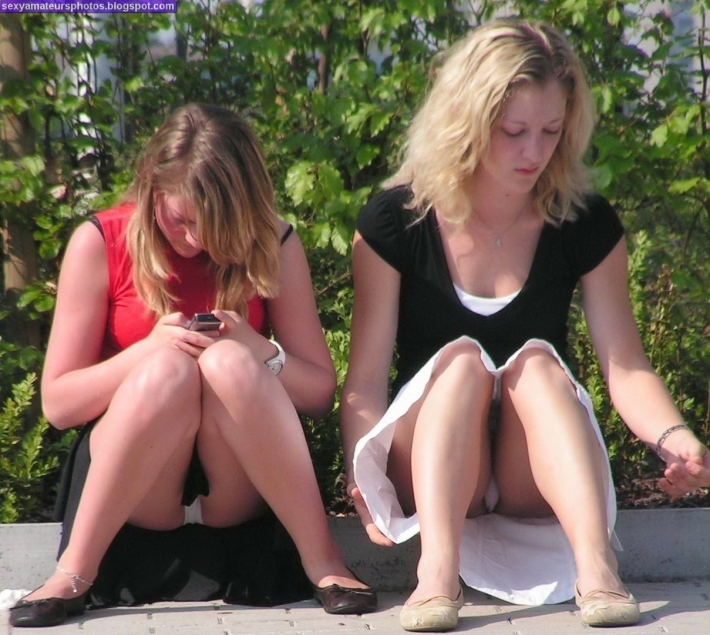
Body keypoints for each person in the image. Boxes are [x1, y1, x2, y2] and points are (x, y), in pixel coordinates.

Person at [339, 19, 710, 632]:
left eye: (550, 131)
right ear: (467, 120)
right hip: (428, 462)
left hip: (530, 470)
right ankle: (437, 573)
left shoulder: (585, 221)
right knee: (461, 362)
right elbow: (365, 380)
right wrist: (363, 480)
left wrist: (674, 438)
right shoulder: (394, 220)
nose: (534, 153)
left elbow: (625, 365)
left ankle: (597, 569)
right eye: (513, 132)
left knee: (537, 364)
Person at [10, 103, 376, 628]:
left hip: (237, 482)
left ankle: (325, 564)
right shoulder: (101, 240)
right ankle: (73, 574)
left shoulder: (272, 240)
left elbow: (318, 394)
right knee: (168, 370)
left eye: (216, 225)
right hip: (139, 482)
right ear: (152, 189)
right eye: (181, 220)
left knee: (230, 363)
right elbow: (58, 405)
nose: (196, 240)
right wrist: (147, 351)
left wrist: (258, 347)